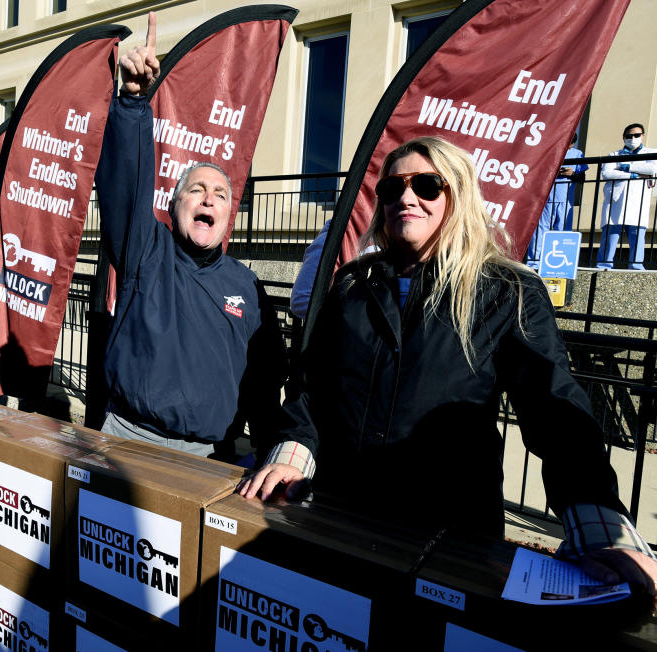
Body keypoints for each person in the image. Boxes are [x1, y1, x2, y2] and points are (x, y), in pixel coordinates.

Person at [241, 136, 657, 599]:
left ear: (457, 195)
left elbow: (556, 412)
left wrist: (602, 530)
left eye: (426, 185)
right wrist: (292, 455)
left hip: (448, 544)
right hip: (342, 518)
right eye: (392, 188)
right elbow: (311, 388)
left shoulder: (507, 291)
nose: (406, 197)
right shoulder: (354, 284)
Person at [94, 13, 286, 458]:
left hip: (209, 455)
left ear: (228, 215)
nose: (208, 198)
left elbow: (264, 380)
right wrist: (133, 102)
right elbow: (126, 185)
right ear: (174, 205)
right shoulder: (146, 250)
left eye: (220, 194)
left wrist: (268, 454)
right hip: (128, 440)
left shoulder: (246, 286)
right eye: (195, 189)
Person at [596, 123, 657, 270]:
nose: (633, 138)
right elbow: (607, 173)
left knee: (637, 235)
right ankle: (604, 264)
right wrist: (636, 174)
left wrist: (625, 166)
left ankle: (636, 266)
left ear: (642, 136)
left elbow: (652, 168)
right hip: (616, 199)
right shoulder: (614, 155)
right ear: (624, 138)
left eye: (636, 135)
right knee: (611, 233)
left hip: (638, 200)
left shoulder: (651, 152)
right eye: (629, 136)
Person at [527, 134, 587, 266]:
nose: (568, 147)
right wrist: (553, 173)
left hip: (566, 199)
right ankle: (534, 263)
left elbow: (582, 178)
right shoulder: (550, 151)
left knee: (563, 231)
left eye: (570, 145)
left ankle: (561, 265)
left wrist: (573, 174)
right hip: (547, 199)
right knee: (540, 231)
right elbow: (537, 173)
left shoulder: (578, 154)